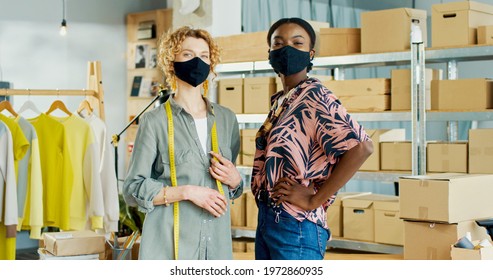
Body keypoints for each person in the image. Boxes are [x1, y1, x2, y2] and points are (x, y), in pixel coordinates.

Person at [251, 17, 374, 260]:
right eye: (278, 44)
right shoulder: (281, 101)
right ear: (269, 52)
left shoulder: (315, 95)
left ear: (311, 53)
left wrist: (314, 199)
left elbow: (362, 147)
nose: (286, 49)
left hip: (295, 225)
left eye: (297, 43)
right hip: (269, 220)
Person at [123, 26, 243, 260]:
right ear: (172, 61)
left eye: (204, 56)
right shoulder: (154, 121)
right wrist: (187, 192)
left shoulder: (227, 119)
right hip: (169, 247)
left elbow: (231, 187)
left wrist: (236, 180)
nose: (197, 61)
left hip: (215, 247)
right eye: (188, 54)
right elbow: (132, 188)